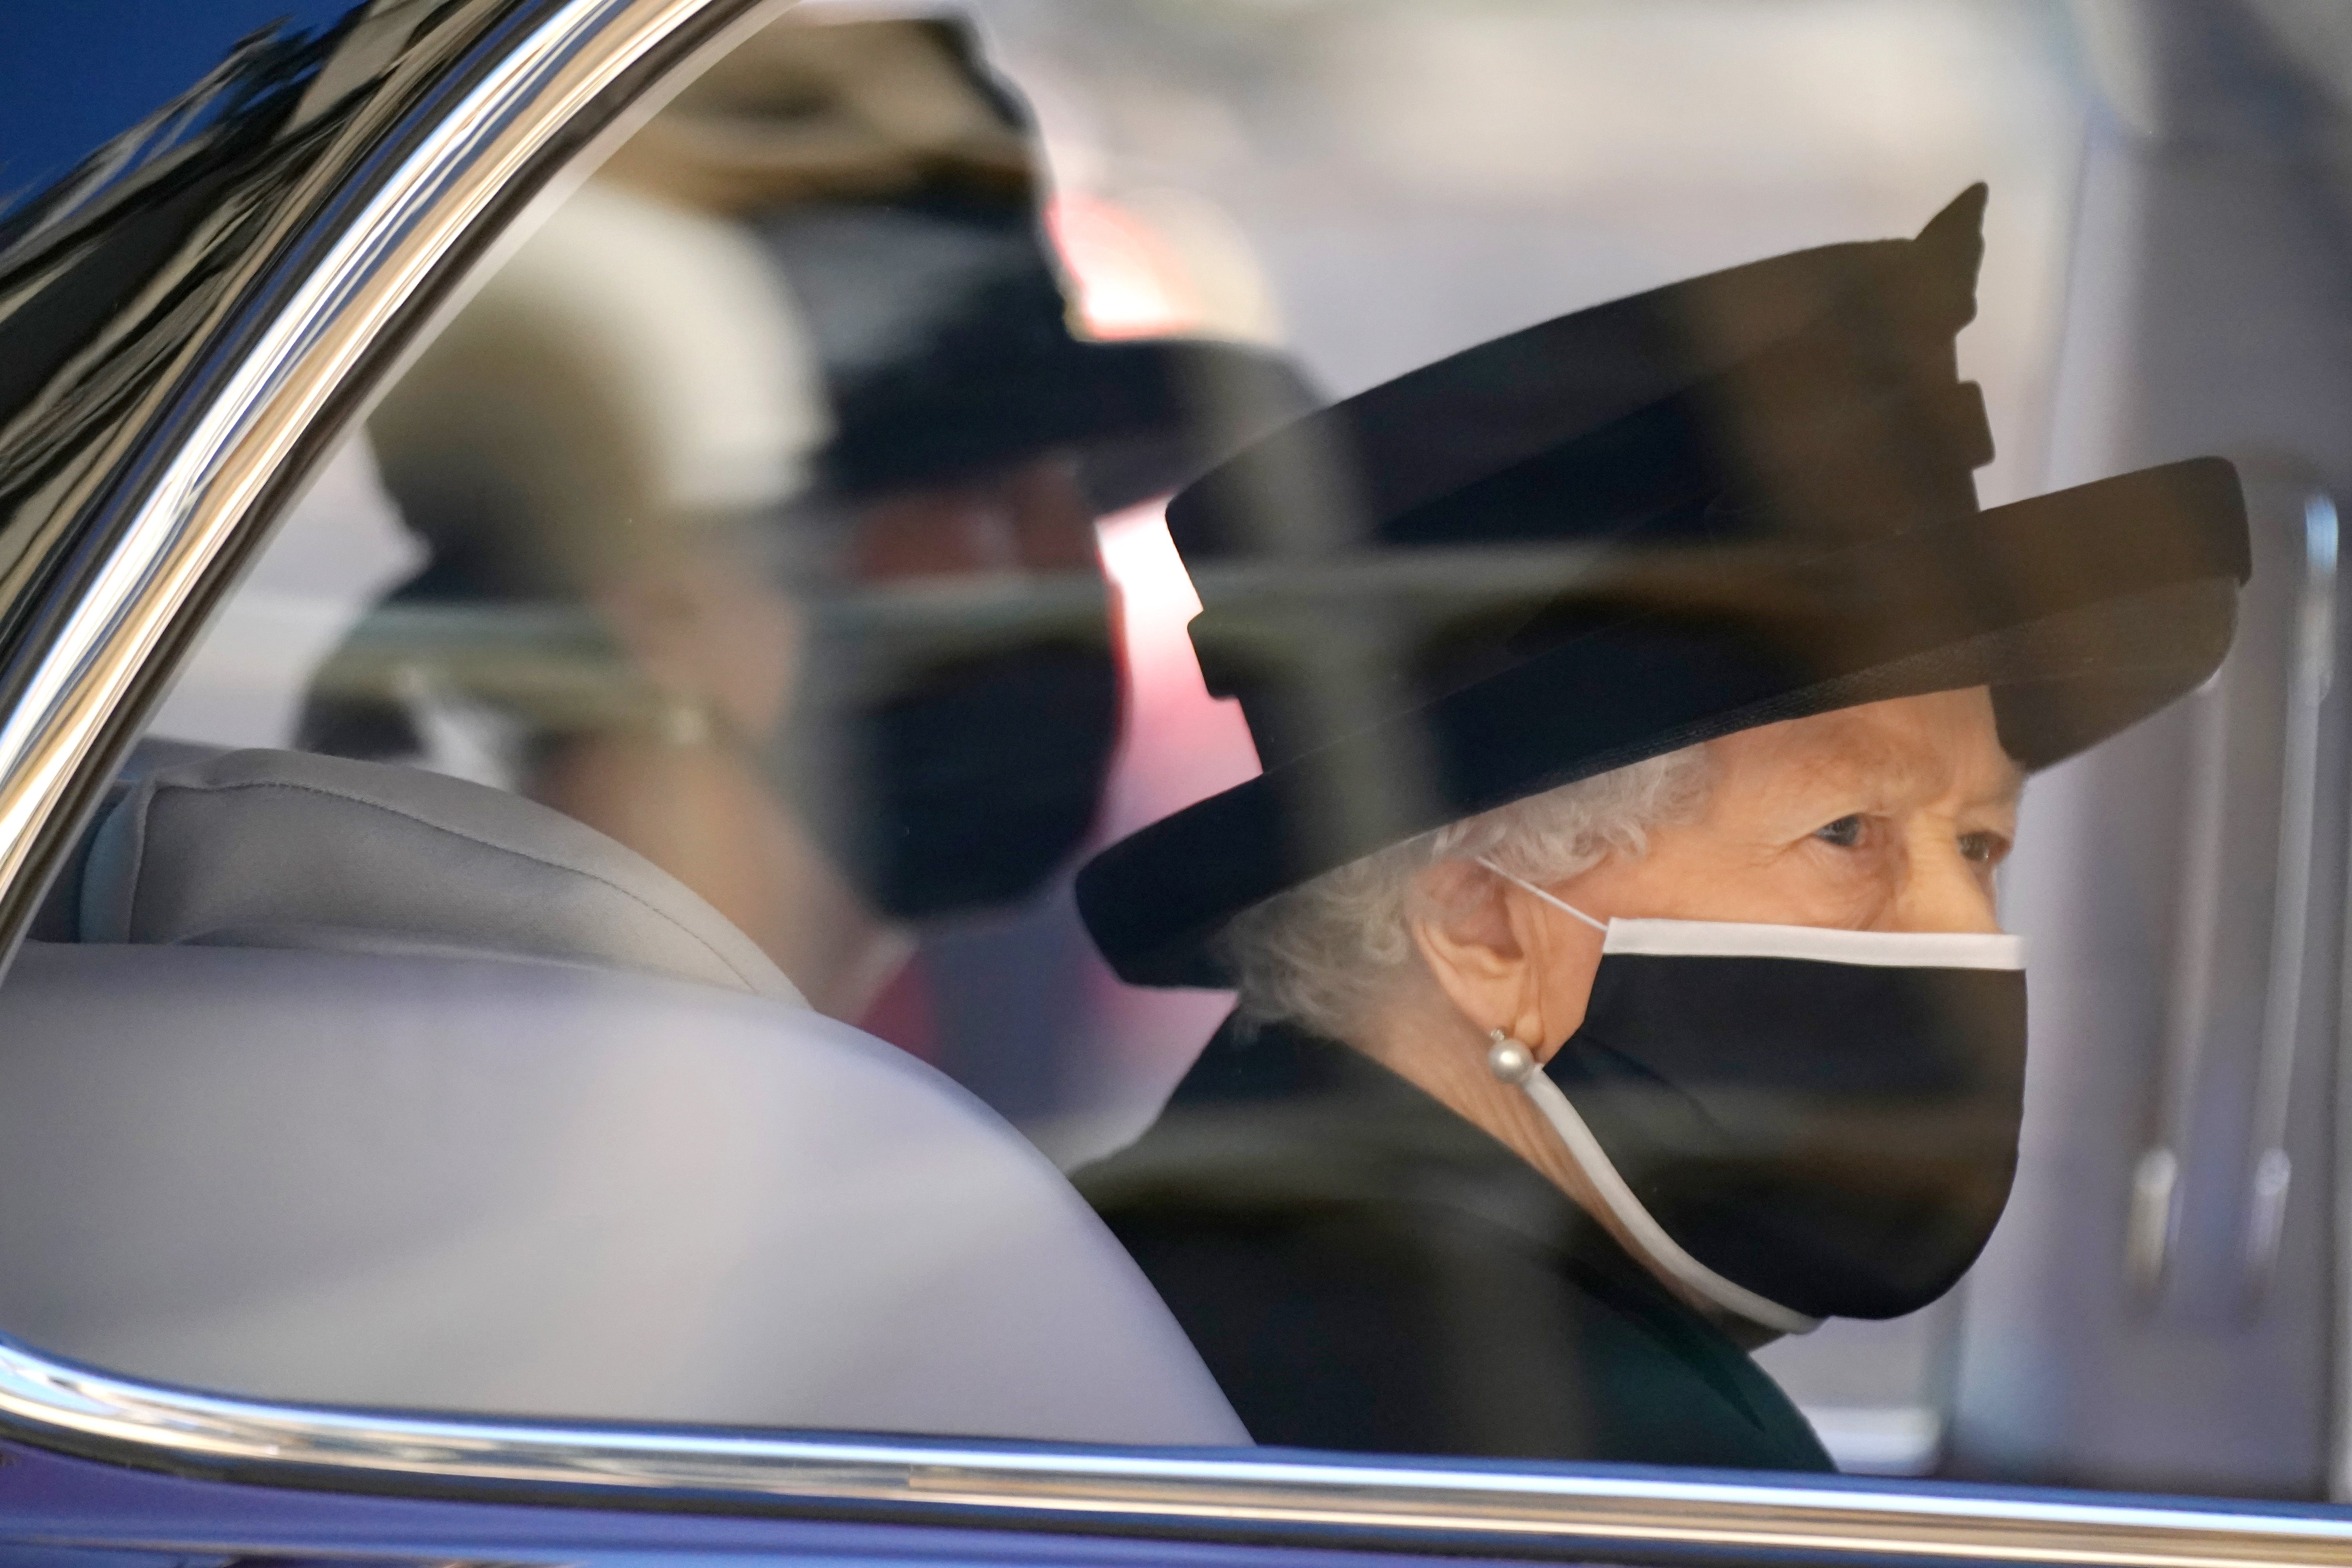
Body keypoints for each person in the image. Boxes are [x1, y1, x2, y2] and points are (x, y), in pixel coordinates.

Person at [1073, 186, 2250, 1469]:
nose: (1965, 932)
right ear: (1486, 927)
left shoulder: (1214, 1265)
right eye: (1851, 831)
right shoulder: (1569, 1454)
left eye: (1978, 846)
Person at [298, 15, 1311, 1018]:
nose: (1062, 566)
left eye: (1065, 491)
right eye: (974, 499)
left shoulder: (797, 1047)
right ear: (656, 608)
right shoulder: (598, 1083)